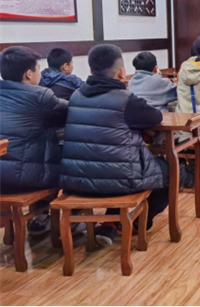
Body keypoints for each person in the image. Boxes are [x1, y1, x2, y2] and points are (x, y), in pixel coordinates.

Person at [60, 44, 169, 246]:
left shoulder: (75, 96)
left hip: (76, 180)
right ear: (121, 72)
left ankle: (112, 224)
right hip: (121, 180)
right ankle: (137, 223)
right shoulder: (126, 100)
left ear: (90, 70)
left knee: (115, 168)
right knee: (171, 171)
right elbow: (156, 117)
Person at [0, 46, 69, 235]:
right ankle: (72, 220)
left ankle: (41, 218)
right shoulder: (40, 96)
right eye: (39, 69)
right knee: (73, 162)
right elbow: (70, 112)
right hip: (25, 178)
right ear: (29, 74)